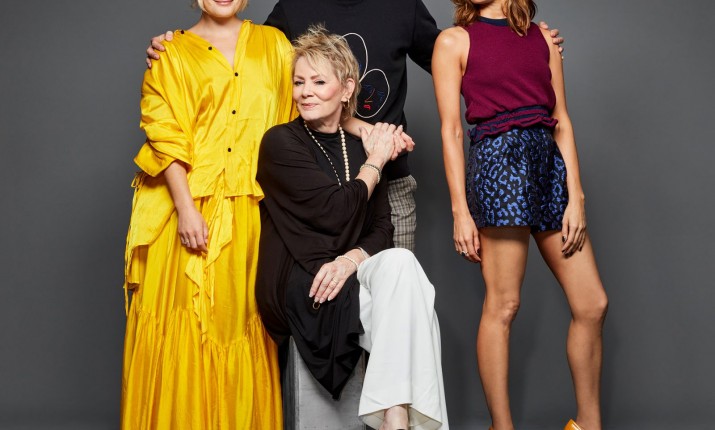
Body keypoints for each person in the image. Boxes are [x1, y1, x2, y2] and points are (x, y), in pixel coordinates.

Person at [146, 0, 565, 253]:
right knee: (324, 310)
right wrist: (180, 47)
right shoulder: (294, 7)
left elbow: (465, 61)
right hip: (318, 185)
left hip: (390, 183)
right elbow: (243, 61)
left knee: (393, 313)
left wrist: (526, 43)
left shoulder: (402, 6)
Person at [256, 27, 448, 430]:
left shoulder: (360, 144)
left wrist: (351, 259)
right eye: (299, 82)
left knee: (402, 265)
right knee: (413, 305)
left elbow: (382, 228)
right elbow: (334, 214)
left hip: (345, 271)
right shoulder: (280, 143)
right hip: (305, 280)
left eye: (318, 82)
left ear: (346, 90)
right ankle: (401, 417)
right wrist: (376, 163)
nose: (305, 92)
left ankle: (394, 417)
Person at [432, 1, 608, 430]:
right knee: (504, 304)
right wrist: (460, 210)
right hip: (500, 168)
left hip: (549, 166)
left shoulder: (543, 39)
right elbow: (451, 131)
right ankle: (502, 427)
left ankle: (588, 425)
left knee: (592, 304)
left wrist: (576, 195)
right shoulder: (454, 41)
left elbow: (561, 119)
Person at [121, 1, 295, 428]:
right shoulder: (170, 54)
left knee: (241, 330)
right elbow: (164, 133)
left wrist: (366, 129)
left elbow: (307, 111)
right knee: (184, 332)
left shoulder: (275, 46)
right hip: (186, 213)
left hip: (252, 216)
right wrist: (185, 210)